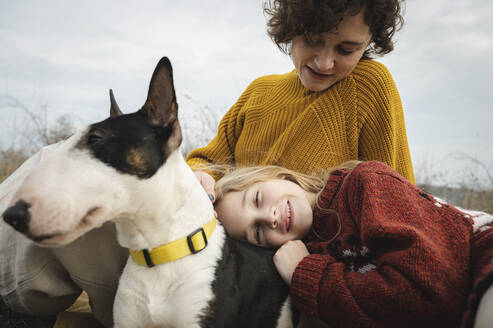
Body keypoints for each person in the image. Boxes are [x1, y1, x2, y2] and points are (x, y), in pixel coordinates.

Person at [212, 161, 493, 328]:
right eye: (258, 233)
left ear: (278, 175)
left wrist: (307, 274)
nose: (269, 218)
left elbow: (429, 293)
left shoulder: (365, 185)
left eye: (258, 199)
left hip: (483, 259)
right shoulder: (311, 252)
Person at [188, 0, 415, 201]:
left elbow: (399, 209)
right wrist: (201, 176)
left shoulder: (369, 87)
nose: (324, 63)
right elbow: (208, 161)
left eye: (346, 50)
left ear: (369, 41)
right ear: (291, 26)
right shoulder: (258, 92)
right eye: (312, 39)